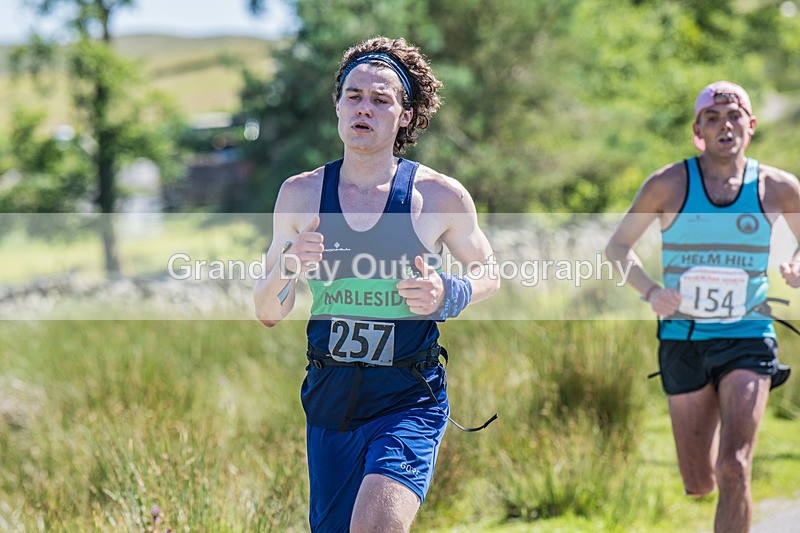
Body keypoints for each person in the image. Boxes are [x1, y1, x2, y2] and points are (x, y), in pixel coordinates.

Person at [253, 36, 500, 532]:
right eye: (354, 96)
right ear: (338, 105)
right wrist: (287, 266)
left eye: (381, 99)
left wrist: (449, 294)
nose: (364, 108)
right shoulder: (301, 195)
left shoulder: (437, 196)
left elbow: (489, 270)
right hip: (329, 397)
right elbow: (267, 310)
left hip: (407, 397)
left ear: (405, 116)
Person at [606, 80, 800, 533]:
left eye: (734, 116)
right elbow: (617, 250)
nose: (724, 125)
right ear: (698, 131)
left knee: (735, 466)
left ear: (750, 126)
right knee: (700, 482)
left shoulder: (776, 188)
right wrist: (652, 292)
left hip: (749, 336)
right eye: (712, 118)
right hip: (683, 340)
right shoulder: (669, 183)